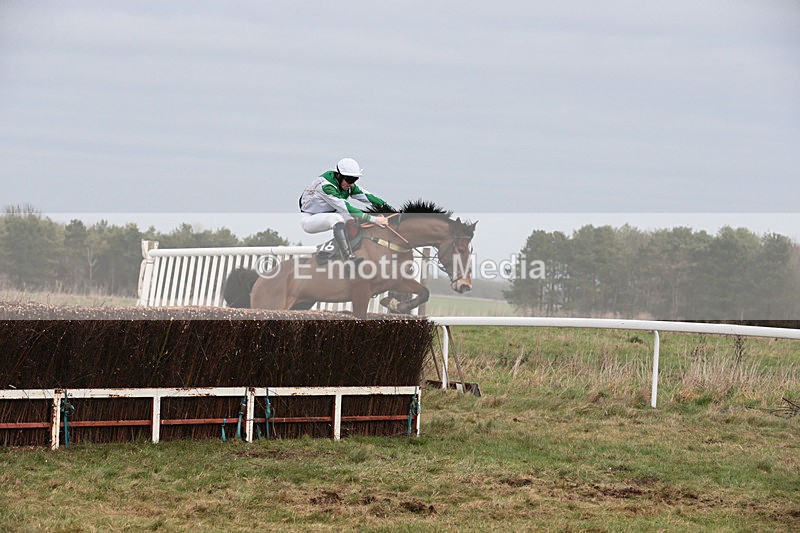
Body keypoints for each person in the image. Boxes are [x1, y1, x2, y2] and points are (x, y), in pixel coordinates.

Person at [299, 158, 393, 267]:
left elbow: (369, 197)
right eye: (349, 180)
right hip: (310, 218)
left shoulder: (348, 184)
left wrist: (390, 209)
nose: (351, 184)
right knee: (336, 218)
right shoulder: (326, 187)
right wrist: (375, 220)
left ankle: (359, 248)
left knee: (353, 219)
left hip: (332, 212)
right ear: (339, 175)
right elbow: (347, 208)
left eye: (354, 180)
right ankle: (348, 258)